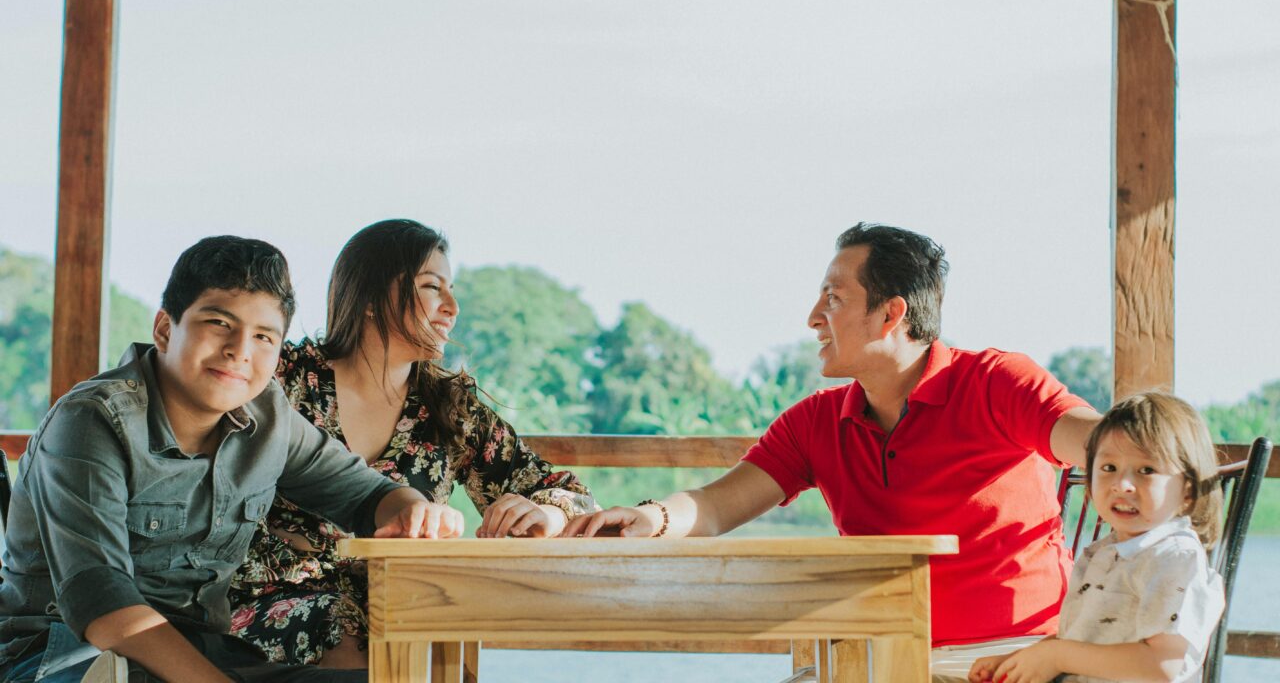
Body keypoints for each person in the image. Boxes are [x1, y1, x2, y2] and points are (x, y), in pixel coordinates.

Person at [563, 222, 1102, 681]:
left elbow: (1104, 445)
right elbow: (714, 505)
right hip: (877, 658)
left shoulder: (998, 382)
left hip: (1015, 660)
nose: (813, 317)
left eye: (834, 299)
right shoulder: (817, 421)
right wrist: (648, 516)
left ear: (892, 315)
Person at [0, 236, 462, 683]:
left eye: (264, 336)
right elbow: (102, 606)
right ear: (165, 329)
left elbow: (366, 493)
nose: (240, 351)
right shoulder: (92, 421)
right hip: (63, 654)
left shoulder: (268, 416)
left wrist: (412, 510)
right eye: (219, 323)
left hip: (204, 652)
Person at [229, 219, 596, 668]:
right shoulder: (285, 378)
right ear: (369, 297)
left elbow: (570, 493)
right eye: (431, 287)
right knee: (353, 631)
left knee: (409, 625)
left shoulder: (450, 409)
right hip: (265, 603)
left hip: (400, 604)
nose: (453, 307)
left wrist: (547, 512)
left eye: (451, 289)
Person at [968, 392, 1225, 683]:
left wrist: (1057, 656)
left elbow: (1162, 667)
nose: (1122, 484)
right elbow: (1085, 639)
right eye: (1109, 468)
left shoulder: (1174, 558)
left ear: (1187, 489)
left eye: (1146, 470)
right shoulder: (1105, 552)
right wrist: (1023, 661)